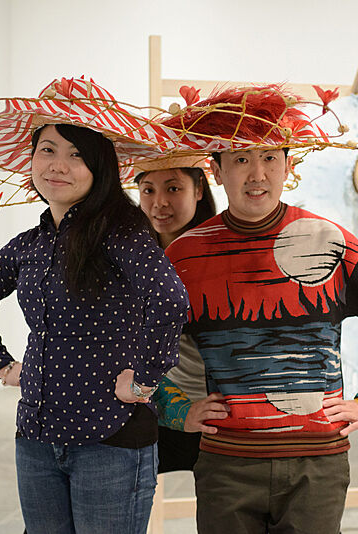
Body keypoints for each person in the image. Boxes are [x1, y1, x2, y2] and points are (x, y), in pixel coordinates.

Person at [159, 85, 358, 534]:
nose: (256, 173)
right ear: (217, 170)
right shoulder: (185, 256)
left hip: (316, 468)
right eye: (241, 158)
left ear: (289, 165)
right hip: (227, 466)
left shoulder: (329, 241)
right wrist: (176, 408)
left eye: (269, 158)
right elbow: (138, 345)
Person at [0, 78, 190, 534]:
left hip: (111, 438)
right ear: (32, 160)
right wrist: (2, 366)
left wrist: (144, 381)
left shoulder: (122, 234)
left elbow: (170, 302)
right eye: (47, 150)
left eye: (76, 154)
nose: (58, 165)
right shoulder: (28, 245)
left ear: (99, 166)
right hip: (37, 439)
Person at [133, 157, 230, 474]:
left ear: (199, 189)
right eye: (147, 190)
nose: (159, 203)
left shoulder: (221, 257)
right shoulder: (132, 257)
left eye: (173, 188)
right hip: (150, 408)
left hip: (216, 412)